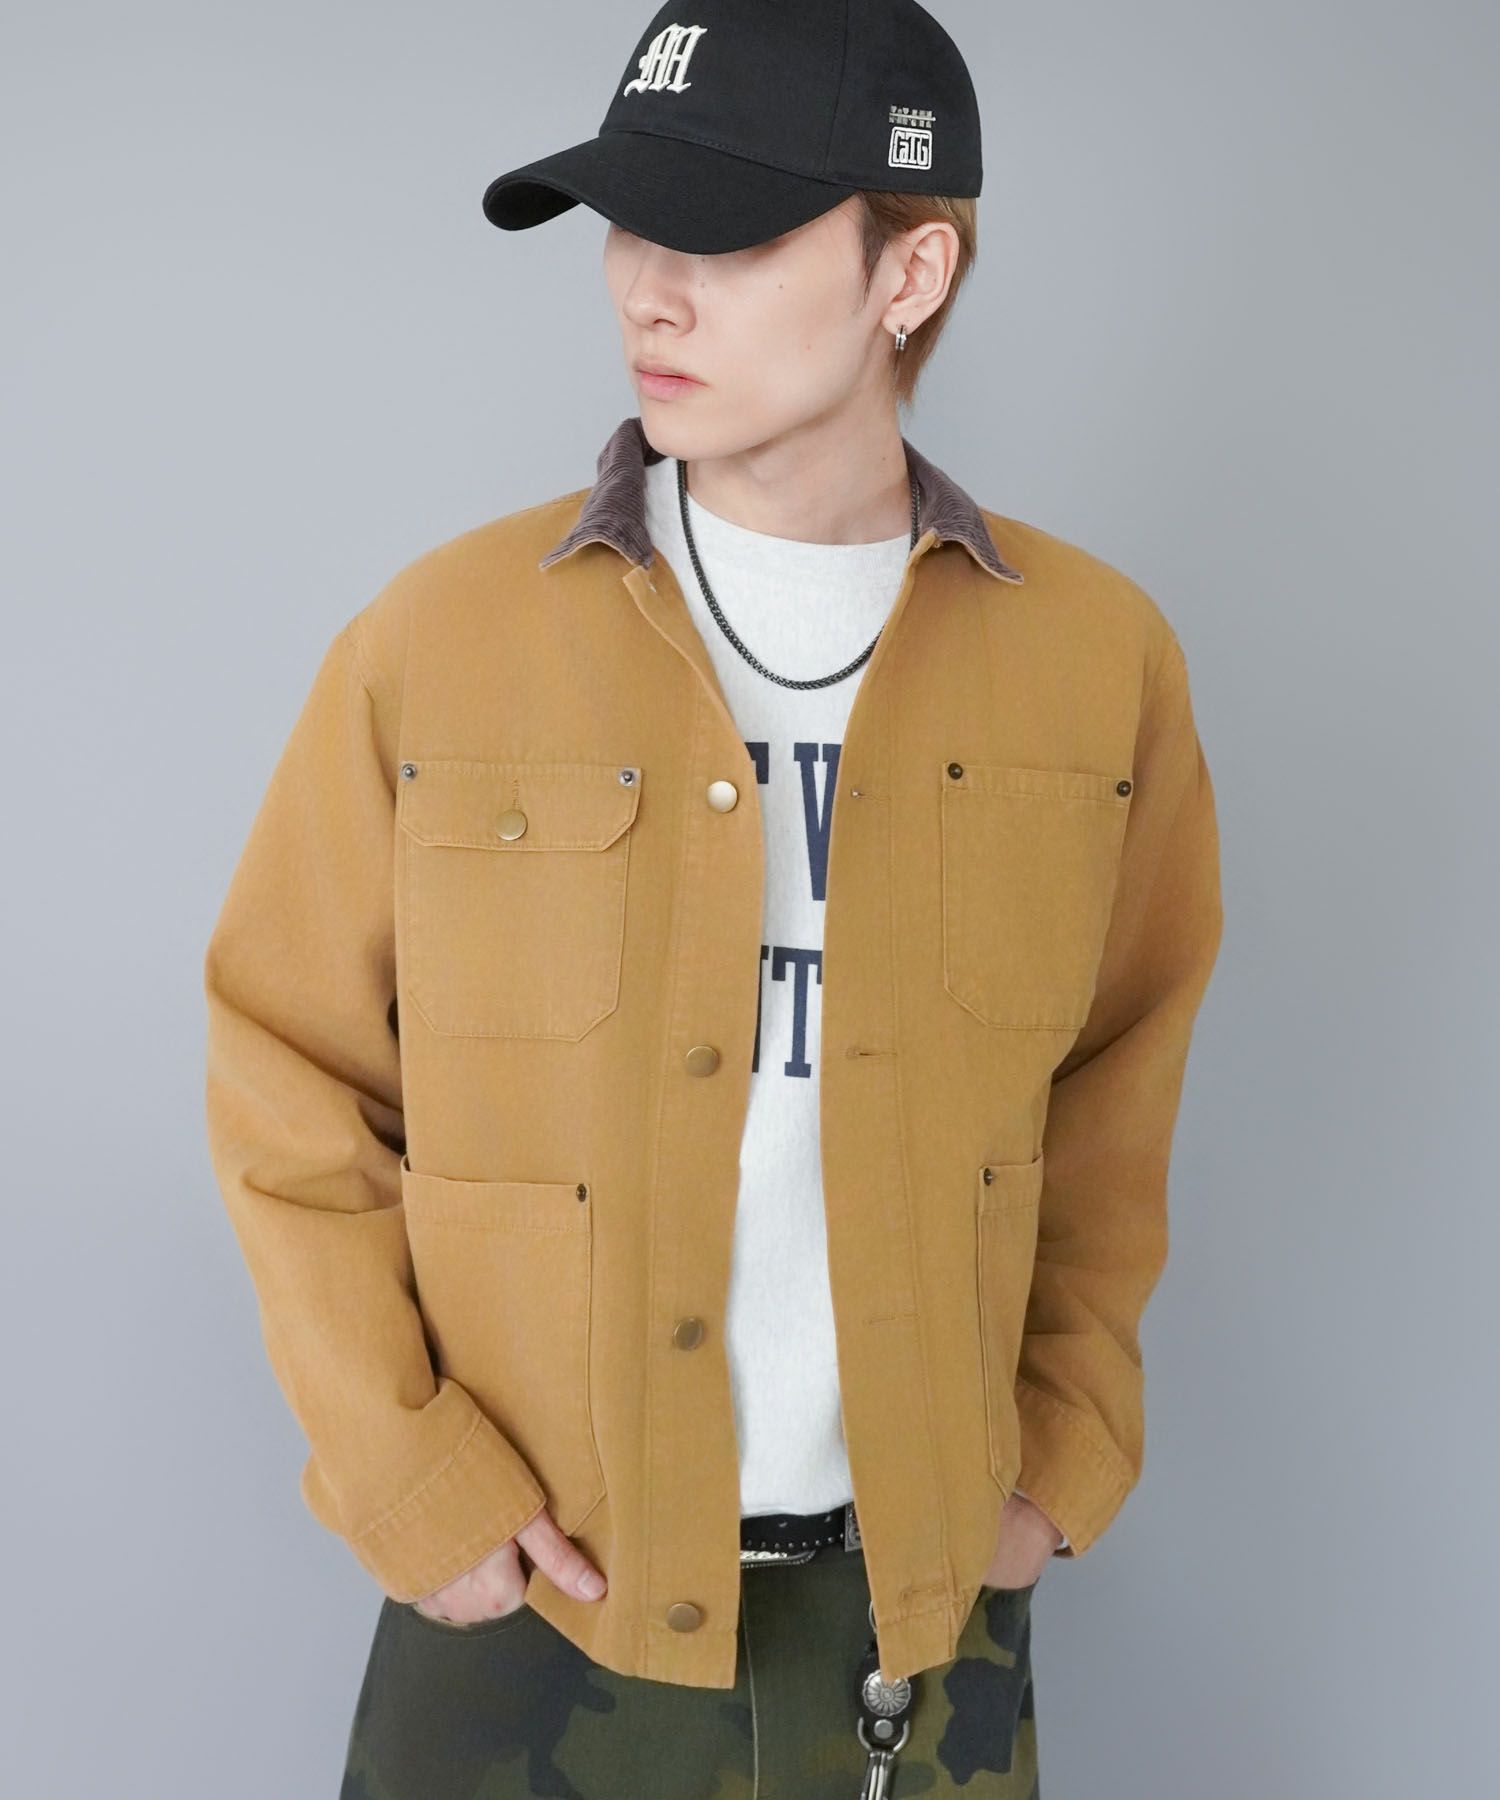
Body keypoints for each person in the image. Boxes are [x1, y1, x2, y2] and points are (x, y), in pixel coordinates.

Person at [202, 3, 1224, 1795]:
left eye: (726, 239)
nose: (645, 294)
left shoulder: (1094, 663)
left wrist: (1062, 1447)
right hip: (540, 1614)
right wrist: (407, 1476)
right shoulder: (440, 642)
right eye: (628, 228)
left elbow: (1117, 1089)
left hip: (916, 1619)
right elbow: (285, 1070)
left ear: (910, 271)